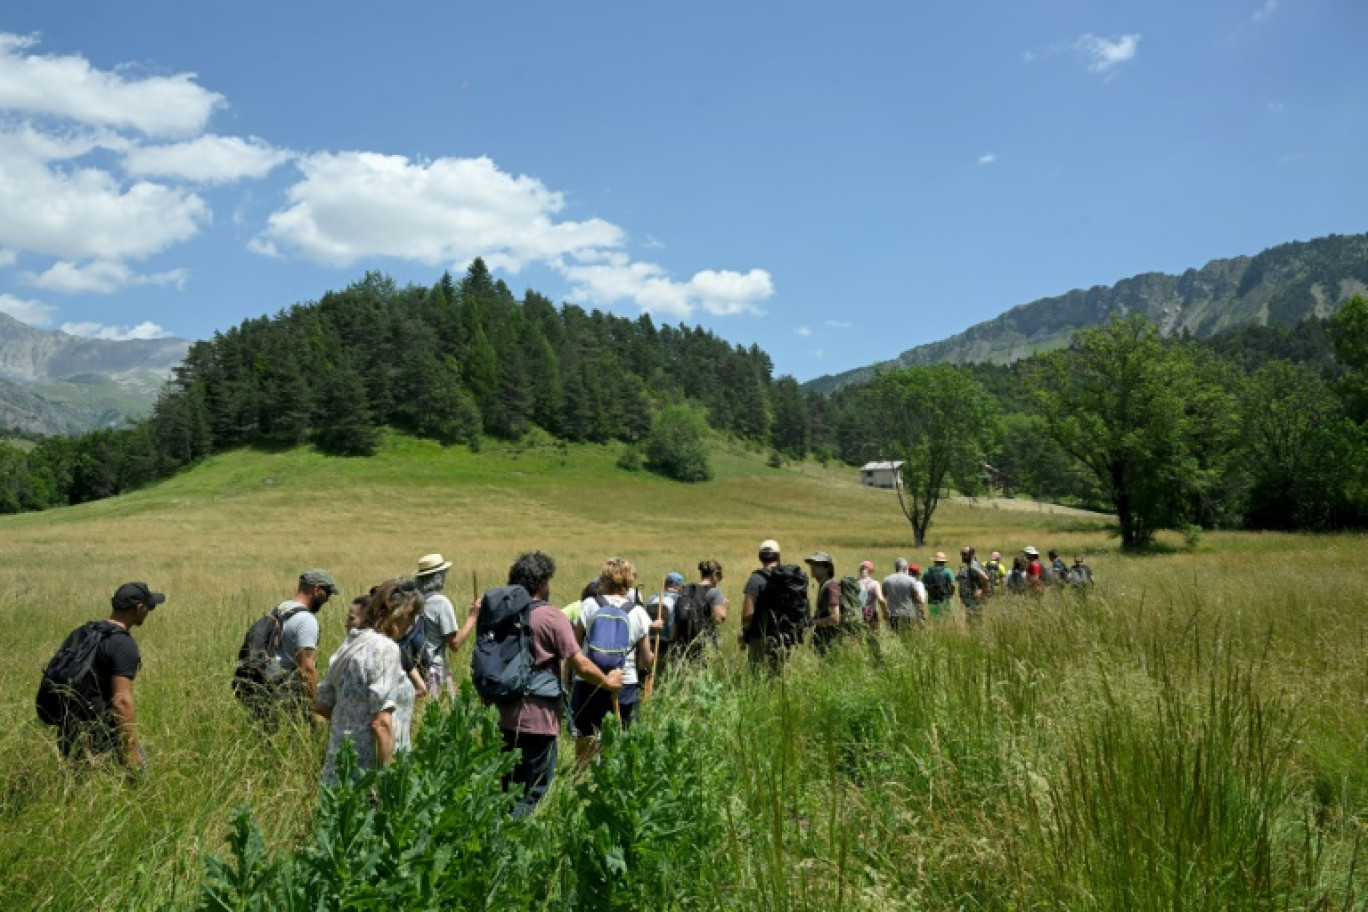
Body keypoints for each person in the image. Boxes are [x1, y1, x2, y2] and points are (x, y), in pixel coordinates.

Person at [498, 551, 622, 815]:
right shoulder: (551, 617)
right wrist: (607, 682)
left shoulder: (503, 614)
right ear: (542, 583)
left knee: (507, 790)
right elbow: (581, 665)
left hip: (503, 714)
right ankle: (516, 848)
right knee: (533, 793)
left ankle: (500, 838)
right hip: (538, 719)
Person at [314, 578, 423, 785]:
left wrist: (351, 725)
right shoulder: (386, 649)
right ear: (397, 613)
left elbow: (322, 704)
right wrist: (389, 779)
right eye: (411, 616)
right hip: (369, 772)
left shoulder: (353, 641)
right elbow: (381, 722)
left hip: (341, 763)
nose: (412, 624)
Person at [47, 582, 165, 772]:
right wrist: (132, 747)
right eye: (149, 607)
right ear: (139, 608)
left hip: (68, 727)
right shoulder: (123, 645)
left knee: (74, 788)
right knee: (143, 778)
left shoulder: (84, 632)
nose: (150, 611)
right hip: (100, 733)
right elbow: (122, 702)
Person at [573, 558, 654, 766]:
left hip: (589, 679)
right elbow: (645, 660)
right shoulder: (638, 612)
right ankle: (611, 778)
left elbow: (574, 645)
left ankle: (582, 780)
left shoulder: (589, 605)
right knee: (621, 735)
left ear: (605, 579)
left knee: (586, 734)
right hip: (624, 682)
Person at [275, 568, 339, 719]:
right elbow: (307, 669)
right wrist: (314, 707)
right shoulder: (306, 620)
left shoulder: (281, 608)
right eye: (327, 593)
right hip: (286, 692)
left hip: (269, 685)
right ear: (316, 589)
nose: (328, 599)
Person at [414, 553, 478, 699]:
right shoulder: (440, 602)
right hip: (435, 670)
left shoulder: (414, 601)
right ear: (437, 577)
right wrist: (473, 616)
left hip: (415, 672)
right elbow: (455, 644)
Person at [741, 540, 809, 673]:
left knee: (757, 677)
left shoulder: (755, 579)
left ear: (760, 556)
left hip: (760, 636)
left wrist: (745, 631)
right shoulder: (789, 579)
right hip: (784, 636)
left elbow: (747, 614)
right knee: (780, 676)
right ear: (778, 557)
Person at [670, 560, 729, 665]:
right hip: (704, 642)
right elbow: (718, 619)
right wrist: (725, 607)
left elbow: (677, 619)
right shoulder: (714, 592)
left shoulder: (687, 590)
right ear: (715, 574)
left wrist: (673, 640)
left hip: (683, 642)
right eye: (719, 576)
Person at [804, 552, 844, 655]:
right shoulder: (824, 586)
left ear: (827, 568)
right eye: (812, 564)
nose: (813, 567)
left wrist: (813, 622)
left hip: (830, 641)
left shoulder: (831, 587)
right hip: (825, 639)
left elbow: (835, 618)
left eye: (817, 564)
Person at [882, 558, 924, 631]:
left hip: (892, 613)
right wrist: (922, 612)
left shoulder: (887, 580)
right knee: (907, 635)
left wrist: (885, 611)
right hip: (908, 613)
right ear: (905, 568)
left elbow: (882, 597)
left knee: (894, 635)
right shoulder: (911, 580)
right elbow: (917, 599)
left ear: (896, 567)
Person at [957, 546, 990, 621]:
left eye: (964, 554)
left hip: (974, 601)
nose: (962, 556)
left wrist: (982, 591)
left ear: (971, 555)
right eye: (961, 554)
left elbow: (985, 578)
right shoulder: (970, 566)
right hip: (971, 601)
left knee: (974, 622)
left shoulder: (973, 566)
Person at [921, 552, 956, 620]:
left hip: (932, 600)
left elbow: (922, 584)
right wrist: (951, 594)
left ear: (934, 561)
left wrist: (929, 590)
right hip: (945, 600)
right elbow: (953, 585)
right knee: (947, 619)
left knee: (935, 619)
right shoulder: (948, 571)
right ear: (944, 562)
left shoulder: (928, 572)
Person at [856, 560, 887, 631]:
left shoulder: (854, 582)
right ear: (871, 571)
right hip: (871, 615)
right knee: (872, 639)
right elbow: (881, 599)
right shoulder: (874, 583)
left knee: (858, 639)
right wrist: (885, 612)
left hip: (857, 614)